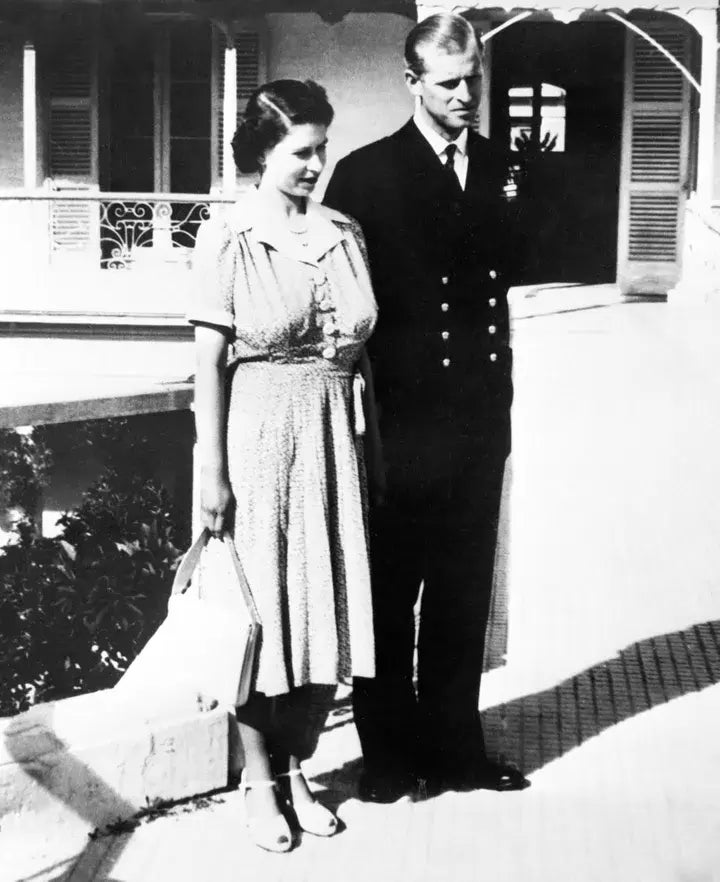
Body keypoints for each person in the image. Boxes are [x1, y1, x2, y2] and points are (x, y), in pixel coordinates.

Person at [324, 13, 528, 801]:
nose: (466, 93)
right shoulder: (366, 175)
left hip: (479, 418)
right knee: (390, 593)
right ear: (412, 82)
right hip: (401, 424)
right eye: (448, 82)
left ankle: (456, 752)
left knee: (462, 589)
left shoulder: (506, 167)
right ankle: (387, 756)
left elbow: (515, 268)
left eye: (473, 76)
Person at [189, 79, 380, 852]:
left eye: (321, 147)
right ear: (263, 151)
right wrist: (211, 473)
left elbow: (362, 342)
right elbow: (206, 365)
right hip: (261, 438)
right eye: (300, 151)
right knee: (264, 617)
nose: (315, 163)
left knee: (321, 609)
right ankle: (258, 781)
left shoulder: (343, 230)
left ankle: (300, 767)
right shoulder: (228, 236)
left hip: (336, 440)